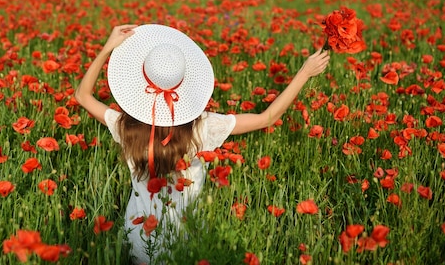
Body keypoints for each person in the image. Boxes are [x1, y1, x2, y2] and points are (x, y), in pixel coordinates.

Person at [75, 24, 330, 264]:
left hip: (138, 238)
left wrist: (107, 48)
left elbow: (82, 96)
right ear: (182, 83)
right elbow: (267, 117)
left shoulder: (125, 127)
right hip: (185, 239)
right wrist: (305, 72)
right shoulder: (202, 127)